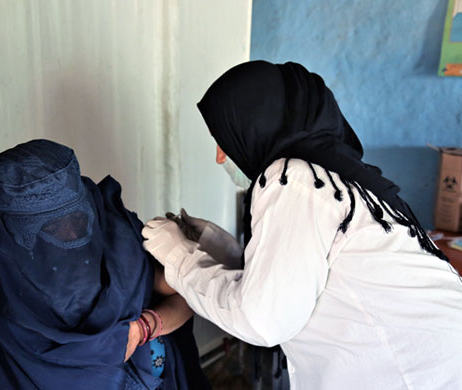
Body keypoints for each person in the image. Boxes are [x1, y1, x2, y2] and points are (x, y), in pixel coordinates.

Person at [142, 61, 462, 389]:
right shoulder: (341, 183)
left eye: (223, 139)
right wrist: (214, 247)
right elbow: (302, 278)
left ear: (255, 125)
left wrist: (180, 258)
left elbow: (262, 320)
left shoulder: (292, 179)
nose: (220, 157)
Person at [0, 139, 210, 389]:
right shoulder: (9, 307)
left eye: (77, 218)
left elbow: (188, 292)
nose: (72, 235)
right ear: (14, 235)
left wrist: (144, 327)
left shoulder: (118, 245)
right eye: (51, 228)